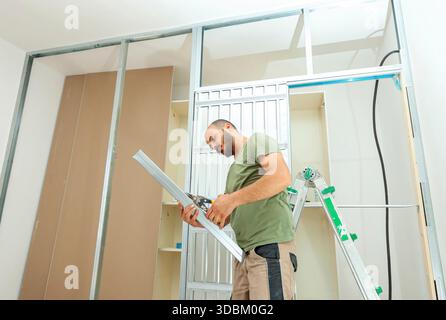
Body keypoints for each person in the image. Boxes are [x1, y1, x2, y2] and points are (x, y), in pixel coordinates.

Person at [179, 119, 297, 300]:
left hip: (268, 248)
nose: (212, 147)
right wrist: (198, 220)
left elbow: (281, 177)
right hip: (244, 254)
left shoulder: (257, 142)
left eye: (212, 139)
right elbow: (226, 215)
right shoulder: (234, 170)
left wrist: (231, 200)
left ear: (227, 128)